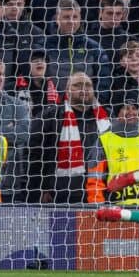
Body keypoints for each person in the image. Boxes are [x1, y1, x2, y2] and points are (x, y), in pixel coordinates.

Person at [28, 72, 110, 204]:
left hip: (99, 191)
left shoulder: (106, 118)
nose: (84, 89)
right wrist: (42, 188)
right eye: (77, 85)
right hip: (60, 194)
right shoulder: (50, 116)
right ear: (67, 90)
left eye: (88, 85)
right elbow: (35, 155)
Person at [0, 55, 29, 203]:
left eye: (1, 74)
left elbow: (23, 135)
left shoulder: (17, 104)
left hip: (11, 183)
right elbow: (15, 135)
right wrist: (8, 130)